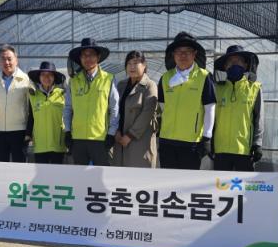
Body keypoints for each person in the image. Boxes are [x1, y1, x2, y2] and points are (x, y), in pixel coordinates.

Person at [158, 32, 216, 170]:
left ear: (194, 54)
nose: (183, 55)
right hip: (167, 140)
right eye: (179, 51)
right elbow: (163, 106)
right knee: (167, 179)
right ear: (173, 54)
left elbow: (210, 108)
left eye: (187, 51)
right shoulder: (165, 78)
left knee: (187, 180)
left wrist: (207, 137)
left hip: (191, 142)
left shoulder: (204, 76)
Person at [63, 38, 119, 166]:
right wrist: (67, 131)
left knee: (102, 175)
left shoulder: (109, 79)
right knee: (80, 176)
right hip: (78, 139)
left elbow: (114, 109)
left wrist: (111, 134)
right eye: (84, 55)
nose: (88, 58)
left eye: (91, 55)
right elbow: (68, 108)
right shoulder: (74, 81)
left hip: (100, 138)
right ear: (80, 58)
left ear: (98, 57)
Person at [212, 45, 264, 171]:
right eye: (230, 61)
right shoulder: (217, 89)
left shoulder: (255, 88)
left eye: (239, 61)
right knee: (220, 184)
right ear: (225, 66)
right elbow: (210, 118)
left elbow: (259, 119)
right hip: (220, 149)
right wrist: (209, 143)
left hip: (244, 150)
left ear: (246, 65)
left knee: (244, 184)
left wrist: (257, 144)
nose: (234, 64)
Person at [0, 45, 30, 162]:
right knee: (1, 164)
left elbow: (31, 106)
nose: (6, 62)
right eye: (3, 59)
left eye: (9, 59)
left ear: (16, 60)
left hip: (20, 130)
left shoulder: (26, 80)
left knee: (20, 164)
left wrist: (30, 131)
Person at [112, 51, 158, 168]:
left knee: (138, 174)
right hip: (120, 139)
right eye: (129, 64)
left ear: (144, 65)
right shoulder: (121, 85)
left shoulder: (150, 85)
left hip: (139, 140)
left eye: (136, 63)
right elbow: (114, 109)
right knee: (120, 174)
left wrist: (130, 135)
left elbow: (147, 114)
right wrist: (115, 131)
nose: (132, 67)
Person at [25, 61, 67, 164]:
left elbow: (69, 116)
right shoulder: (33, 96)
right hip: (40, 145)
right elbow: (31, 117)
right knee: (41, 174)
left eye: (50, 75)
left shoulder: (63, 94)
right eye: (43, 74)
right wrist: (27, 135)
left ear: (54, 77)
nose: (46, 77)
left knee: (57, 173)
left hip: (58, 144)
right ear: (39, 77)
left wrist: (69, 136)